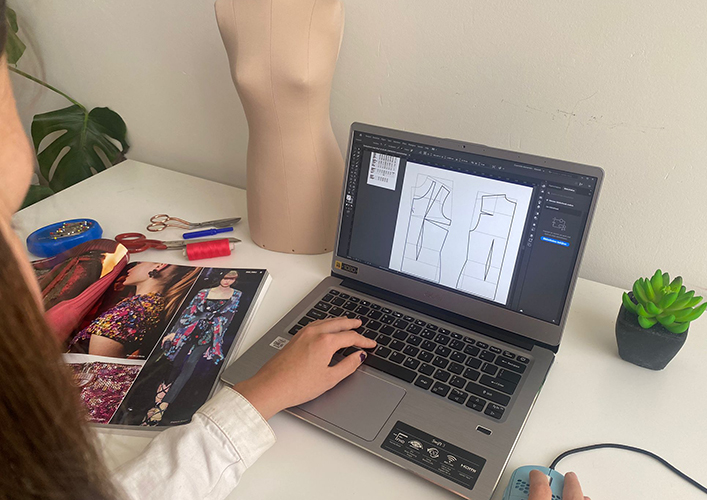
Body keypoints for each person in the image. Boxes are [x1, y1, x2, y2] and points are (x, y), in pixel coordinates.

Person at [0, 5, 588, 499]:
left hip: (312, 196)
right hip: (264, 194)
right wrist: (262, 395)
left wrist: (260, 396)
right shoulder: (229, 7)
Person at [143, 270, 243, 425]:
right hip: (190, 329)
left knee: (190, 365)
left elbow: (228, 318)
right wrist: (174, 332)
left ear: (235, 280)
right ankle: (157, 400)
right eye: (225, 277)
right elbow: (188, 312)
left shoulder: (236, 294)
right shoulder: (204, 292)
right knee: (175, 363)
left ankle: (163, 406)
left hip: (210, 333)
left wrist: (217, 340)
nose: (227, 281)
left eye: (231, 279)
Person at [68, 262, 201, 358]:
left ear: (160, 266)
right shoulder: (154, 307)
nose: (131, 269)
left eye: (138, 263)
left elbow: (99, 366)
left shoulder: (131, 311)